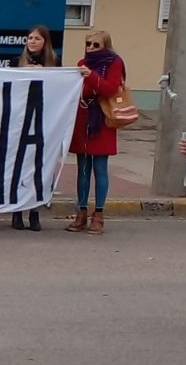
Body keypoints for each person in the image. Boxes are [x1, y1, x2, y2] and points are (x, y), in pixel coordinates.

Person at [66, 31, 124, 235]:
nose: (90, 48)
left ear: (105, 46)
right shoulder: (83, 62)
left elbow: (110, 89)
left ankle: (98, 214)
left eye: (95, 45)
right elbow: (77, 89)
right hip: (83, 119)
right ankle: (81, 211)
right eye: (88, 44)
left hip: (102, 120)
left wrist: (92, 77)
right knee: (82, 169)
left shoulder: (115, 63)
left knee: (100, 168)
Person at [8, 25, 60, 232]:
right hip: (20, 120)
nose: (32, 41)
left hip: (44, 120)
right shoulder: (16, 62)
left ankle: (35, 212)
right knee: (19, 165)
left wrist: (45, 74)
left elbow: (60, 89)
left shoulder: (54, 63)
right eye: (29, 38)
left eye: (37, 38)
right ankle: (17, 212)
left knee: (40, 167)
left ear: (45, 42)